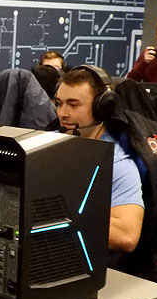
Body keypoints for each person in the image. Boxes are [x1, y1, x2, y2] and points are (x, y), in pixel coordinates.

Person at [54, 68, 145, 252]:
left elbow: (127, 236)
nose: (63, 113)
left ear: (101, 108)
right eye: (59, 103)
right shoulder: (47, 143)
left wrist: (55, 213)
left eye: (73, 105)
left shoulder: (117, 163)